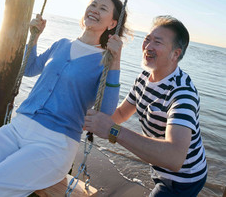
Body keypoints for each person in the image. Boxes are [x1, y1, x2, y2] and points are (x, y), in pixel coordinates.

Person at [0, 0, 129, 197]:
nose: (94, 9)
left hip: (54, 145)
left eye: (103, 8)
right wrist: (34, 38)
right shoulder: (62, 44)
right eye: (93, 4)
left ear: (112, 24)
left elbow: (105, 112)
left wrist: (116, 61)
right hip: (17, 128)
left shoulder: (105, 60)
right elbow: (30, 67)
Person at [84, 15, 208, 197]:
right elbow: (120, 114)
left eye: (157, 42)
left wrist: (113, 131)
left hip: (184, 179)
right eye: (147, 39)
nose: (148, 46)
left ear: (176, 54)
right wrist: (87, 122)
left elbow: (174, 158)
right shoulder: (144, 77)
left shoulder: (183, 94)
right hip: (159, 168)